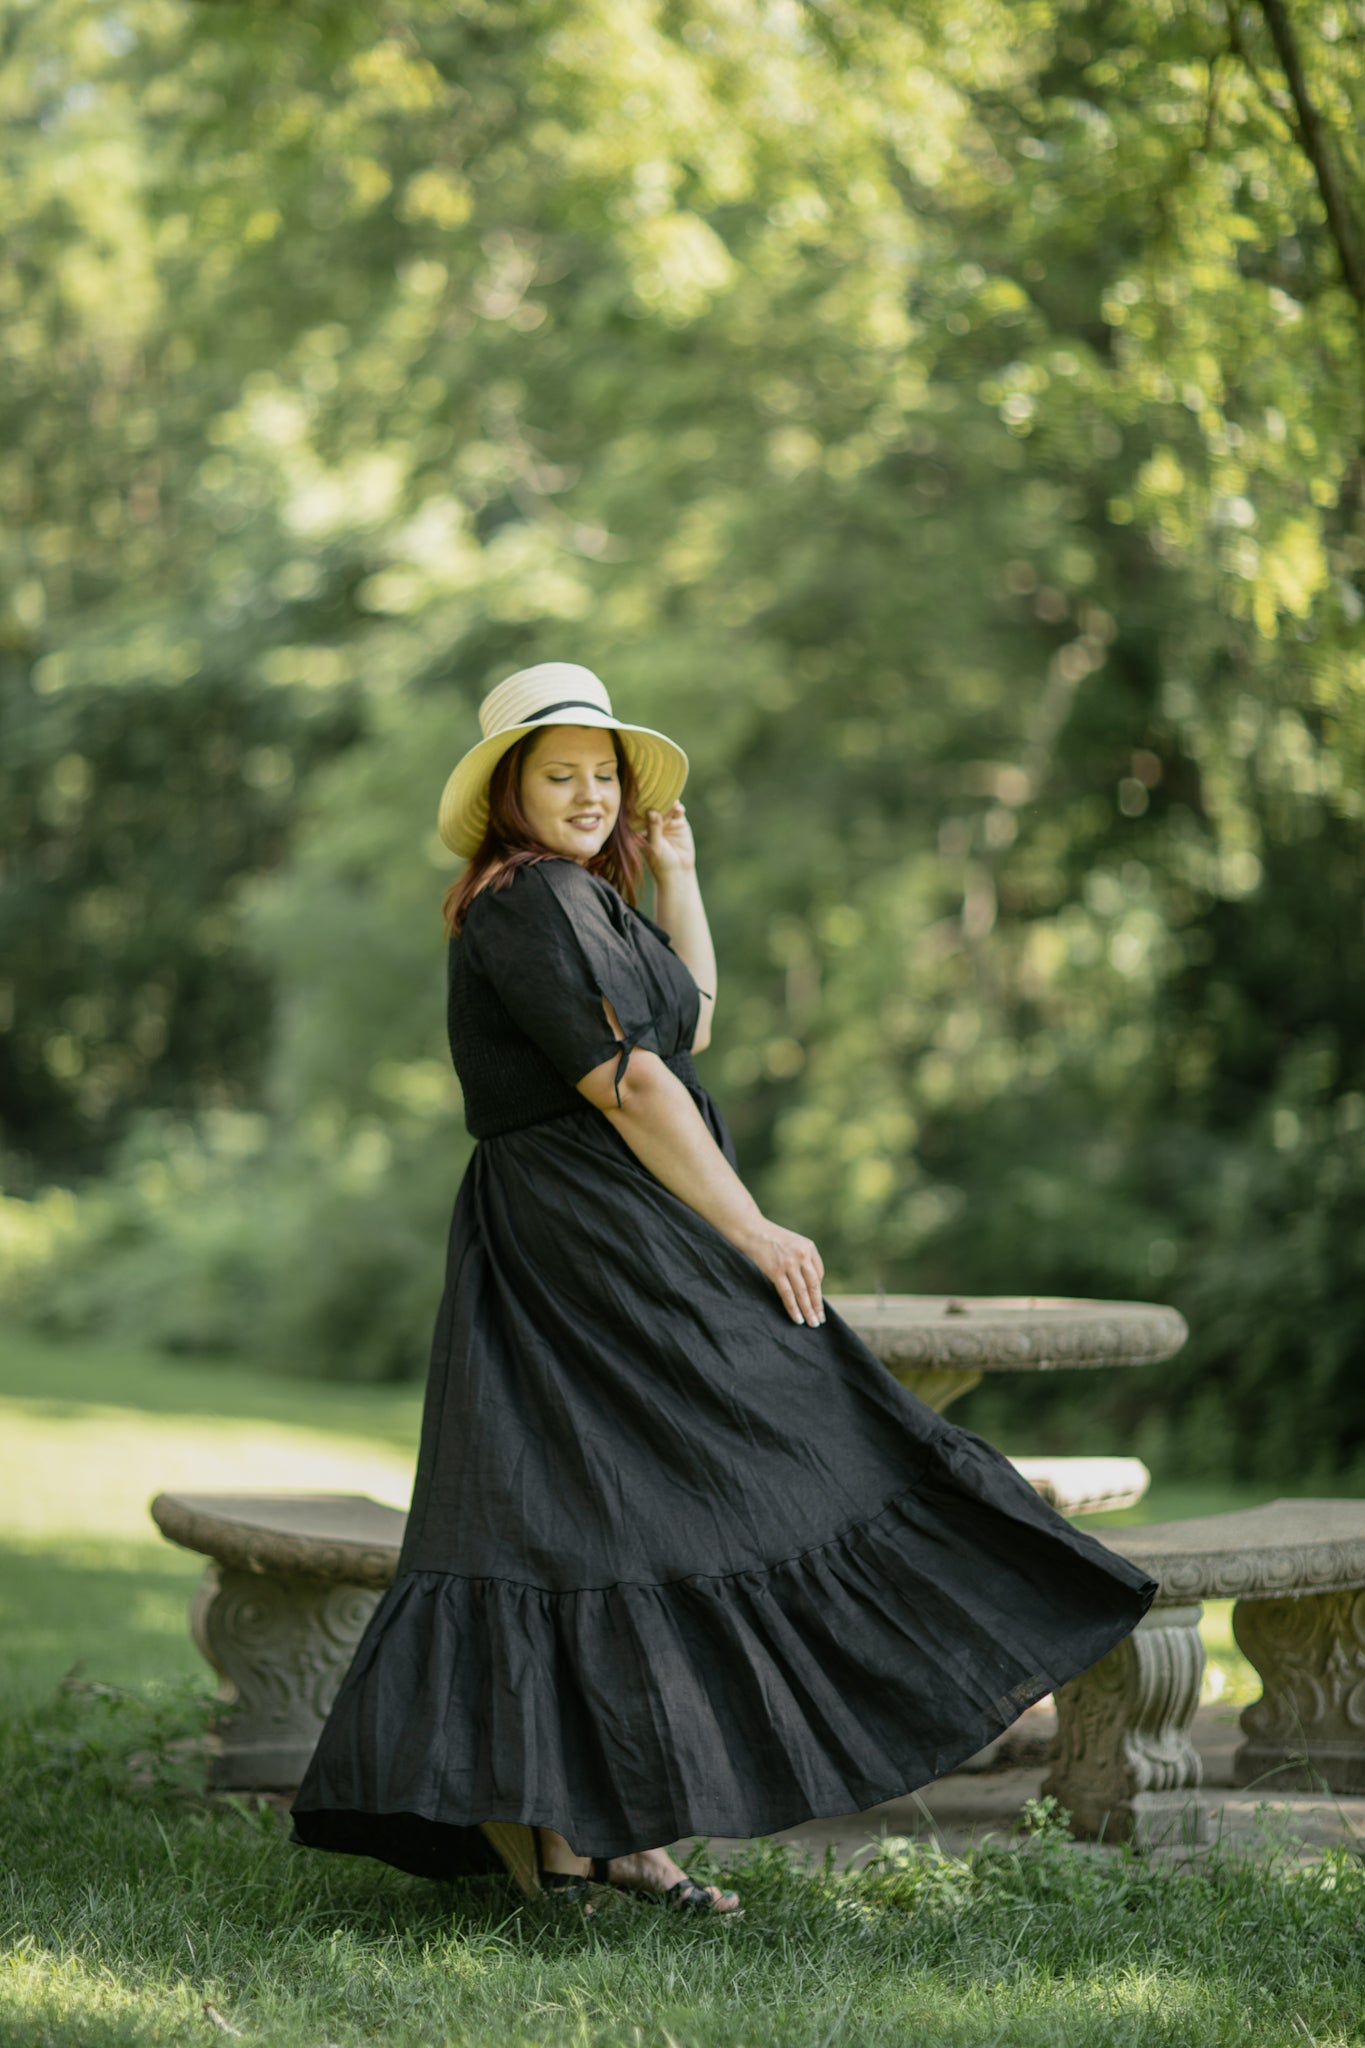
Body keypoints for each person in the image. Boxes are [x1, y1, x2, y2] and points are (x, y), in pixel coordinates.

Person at [290, 660, 1156, 1915]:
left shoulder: (587, 901)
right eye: (561, 773)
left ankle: (609, 1834)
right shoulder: (524, 902)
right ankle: (584, 1835)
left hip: (605, 1228)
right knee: (699, 1466)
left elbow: (682, 1028)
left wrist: (681, 876)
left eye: (604, 774)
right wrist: (749, 1225)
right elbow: (632, 1086)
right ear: (508, 793)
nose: (589, 793)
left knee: (619, 1511)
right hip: (583, 1240)